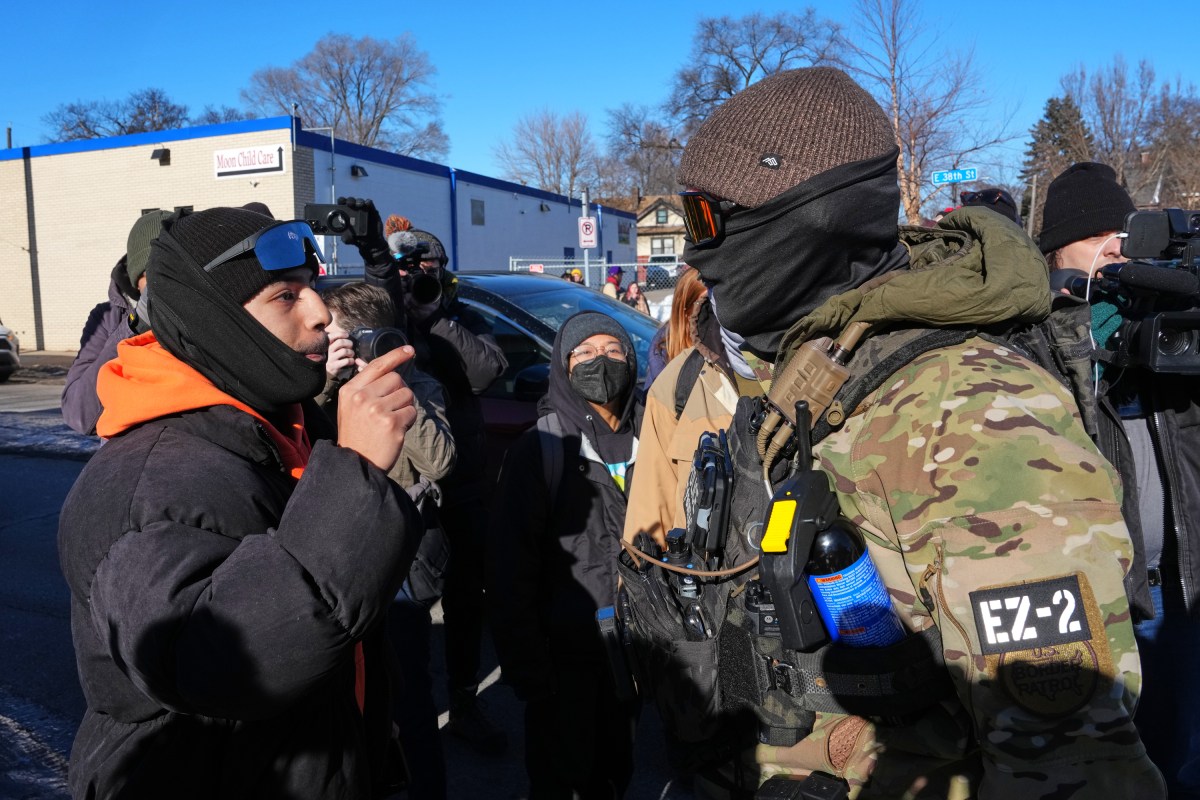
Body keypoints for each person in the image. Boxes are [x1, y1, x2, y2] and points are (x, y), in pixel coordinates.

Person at [644, 67, 1160, 797]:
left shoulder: (977, 418)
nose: (695, 257)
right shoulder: (817, 378)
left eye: (706, 223)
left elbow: (1076, 770)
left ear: (809, 220)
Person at [57, 207, 423, 799]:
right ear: (216, 320)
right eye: (286, 296)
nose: (320, 312)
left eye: (314, 286)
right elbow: (221, 665)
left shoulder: (276, 426)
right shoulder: (152, 481)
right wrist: (353, 473)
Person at [1038, 161, 1200, 798]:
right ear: (1057, 250)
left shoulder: (1168, 313)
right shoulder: (1033, 332)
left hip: (1183, 592)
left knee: (1180, 758)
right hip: (1101, 602)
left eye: (1124, 231)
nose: (1116, 246)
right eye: (1097, 233)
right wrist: (1088, 336)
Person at [342, 199, 511, 755]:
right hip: (412, 486)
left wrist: (432, 315)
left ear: (443, 273)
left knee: (466, 598)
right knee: (405, 605)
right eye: (407, 272)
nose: (415, 279)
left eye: (426, 269)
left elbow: (487, 371)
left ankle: (464, 700)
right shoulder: (382, 325)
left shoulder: (456, 319)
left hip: (463, 484)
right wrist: (395, 298)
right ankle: (402, 707)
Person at [487, 311, 642, 798]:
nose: (602, 361)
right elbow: (510, 569)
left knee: (616, 769)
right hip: (564, 657)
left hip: (636, 649)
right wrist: (528, 667)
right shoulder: (542, 449)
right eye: (586, 352)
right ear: (563, 364)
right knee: (562, 776)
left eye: (614, 351)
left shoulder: (654, 439)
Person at [317, 281, 456, 799]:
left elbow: (440, 462)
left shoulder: (420, 384)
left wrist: (391, 384)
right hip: (335, 554)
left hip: (396, 559)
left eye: (332, 330)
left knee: (406, 693)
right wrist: (329, 386)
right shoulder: (320, 384)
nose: (321, 336)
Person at [61, 210, 170, 434]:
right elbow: (79, 414)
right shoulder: (108, 318)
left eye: (171, 271)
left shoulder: (201, 313)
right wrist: (135, 326)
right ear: (135, 276)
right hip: (123, 456)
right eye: (152, 274)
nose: (163, 283)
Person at [643, 267, 707, 388]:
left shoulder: (731, 343)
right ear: (685, 310)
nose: (715, 311)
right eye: (706, 303)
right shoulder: (662, 356)